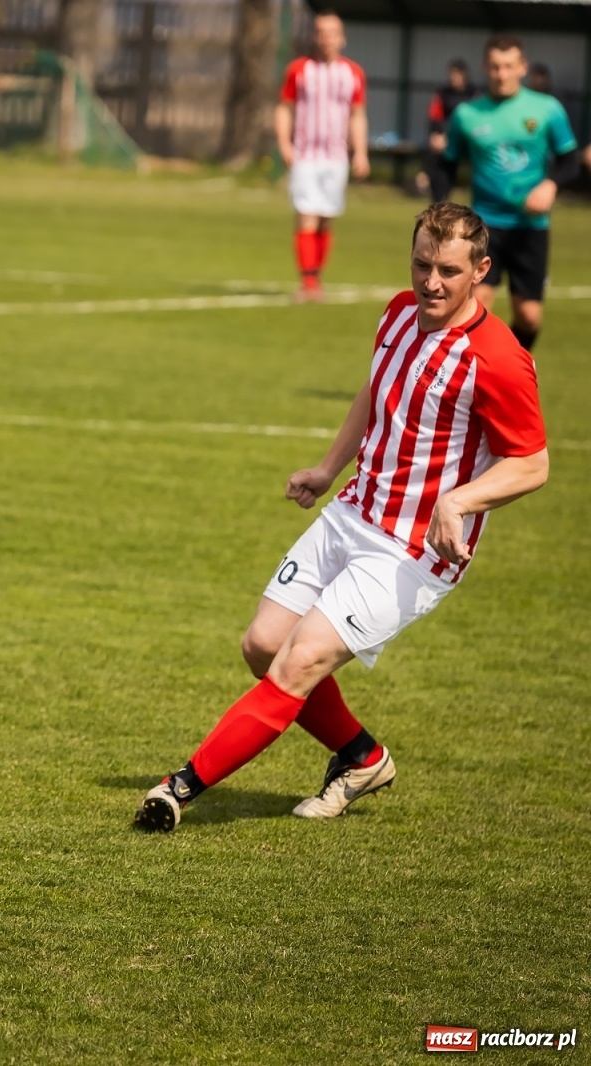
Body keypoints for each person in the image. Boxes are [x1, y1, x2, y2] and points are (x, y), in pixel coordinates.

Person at [135, 202, 549, 834]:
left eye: (447, 270)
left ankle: (178, 788)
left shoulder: (499, 358)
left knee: (299, 663)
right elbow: (375, 389)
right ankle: (363, 757)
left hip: (410, 551)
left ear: (481, 270)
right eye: (420, 264)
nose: (430, 282)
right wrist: (330, 467)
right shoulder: (400, 313)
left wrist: (459, 501)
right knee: (263, 645)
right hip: (353, 512)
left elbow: (533, 463)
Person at [441, 34, 580, 352]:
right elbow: (446, 164)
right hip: (485, 225)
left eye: (507, 66)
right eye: (494, 67)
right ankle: (472, 379)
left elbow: (569, 162)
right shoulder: (467, 114)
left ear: (522, 67)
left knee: (529, 317)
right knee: (479, 305)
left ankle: (510, 368)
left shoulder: (546, 109)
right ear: (484, 67)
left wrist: (550, 184)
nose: (500, 74)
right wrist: (442, 208)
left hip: (531, 227)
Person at [275, 11, 369, 301]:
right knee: (306, 215)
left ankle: (316, 277)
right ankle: (308, 282)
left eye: (332, 33)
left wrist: (361, 153)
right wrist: (284, 144)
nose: (327, 38)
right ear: (314, 36)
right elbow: (284, 108)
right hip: (306, 154)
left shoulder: (353, 73)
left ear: (341, 38)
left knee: (326, 217)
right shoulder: (298, 70)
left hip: (335, 157)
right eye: (321, 32)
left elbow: (357, 115)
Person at [422, 59, 476, 202]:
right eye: (451, 75)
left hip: (469, 140)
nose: (453, 78)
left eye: (457, 75)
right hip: (446, 142)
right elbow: (435, 118)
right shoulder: (442, 94)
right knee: (437, 153)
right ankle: (438, 201)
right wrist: (439, 136)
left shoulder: (473, 94)